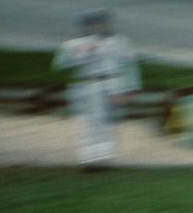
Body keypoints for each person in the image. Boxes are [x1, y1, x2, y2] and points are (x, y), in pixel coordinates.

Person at [53, 11, 140, 171]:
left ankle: (104, 157)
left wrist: (131, 89)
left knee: (107, 122)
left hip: (113, 82)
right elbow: (60, 63)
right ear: (86, 26)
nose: (98, 27)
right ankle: (88, 158)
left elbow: (130, 65)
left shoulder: (120, 42)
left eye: (101, 23)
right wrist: (80, 52)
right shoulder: (75, 43)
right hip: (88, 83)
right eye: (93, 24)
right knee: (88, 122)